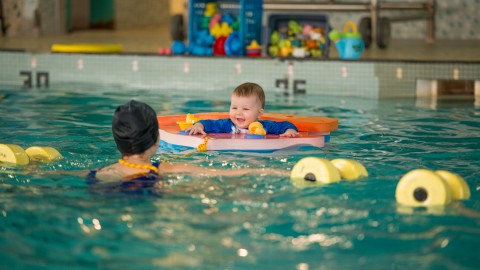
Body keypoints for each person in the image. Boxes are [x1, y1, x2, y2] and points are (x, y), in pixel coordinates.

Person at [87, 100, 288, 184]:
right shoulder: (165, 170)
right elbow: (228, 174)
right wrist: (279, 172)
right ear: (157, 139)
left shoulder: (101, 173)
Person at [186, 82, 299, 137]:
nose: (238, 113)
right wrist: (199, 125)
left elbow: (284, 125)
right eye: (234, 107)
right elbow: (209, 123)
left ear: (259, 114)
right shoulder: (227, 125)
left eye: (245, 109)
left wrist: (289, 130)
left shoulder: (265, 126)